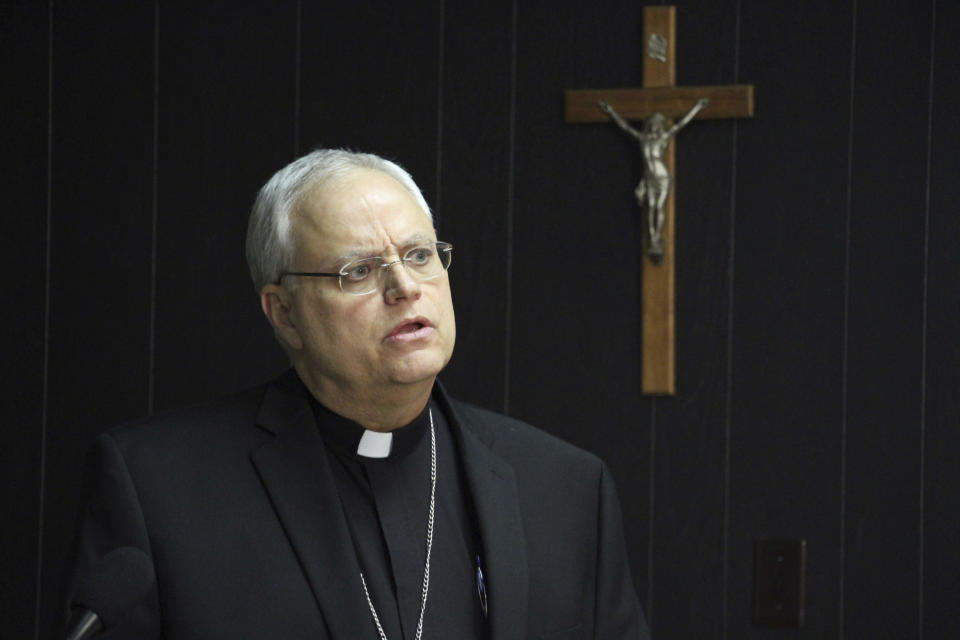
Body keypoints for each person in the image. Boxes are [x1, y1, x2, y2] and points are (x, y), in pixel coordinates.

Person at [64, 149, 650, 639]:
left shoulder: (567, 490)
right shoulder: (159, 488)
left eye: (419, 255)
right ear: (285, 313)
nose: (404, 287)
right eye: (358, 272)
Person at [598, 99, 708, 263]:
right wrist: (611, 112)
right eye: (653, 124)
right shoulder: (643, 139)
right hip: (649, 177)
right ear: (649, 125)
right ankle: (653, 237)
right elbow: (626, 127)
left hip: (662, 177)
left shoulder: (662, 138)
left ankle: (657, 236)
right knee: (650, 207)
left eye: (658, 124)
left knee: (658, 206)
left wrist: (696, 108)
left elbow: (680, 125)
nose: (655, 127)